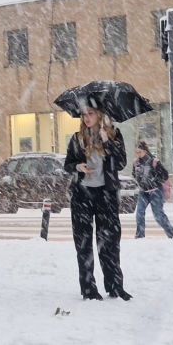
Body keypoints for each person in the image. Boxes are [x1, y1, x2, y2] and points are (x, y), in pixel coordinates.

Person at [63, 106, 132, 301]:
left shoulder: (114, 135)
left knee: (109, 243)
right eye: (83, 115)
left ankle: (115, 287)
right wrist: (78, 166)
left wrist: (107, 141)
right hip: (82, 195)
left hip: (106, 195)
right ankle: (89, 290)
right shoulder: (77, 138)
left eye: (90, 114)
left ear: (100, 115)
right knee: (83, 244)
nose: (86, 118)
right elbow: (68, 163)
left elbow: (120, 163)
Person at [132, 141, 173, 239]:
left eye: (140, 152)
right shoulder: (135, 163)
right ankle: (139, 236)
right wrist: (139, 182)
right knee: (139, 214)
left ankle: (172, 234)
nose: (138, 154)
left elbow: (164, 175)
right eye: (136, 152)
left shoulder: (154, 161)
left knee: (158, 215)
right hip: (143, 191)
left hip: (155, 191)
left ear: (145, 150)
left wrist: (154, 180)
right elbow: (134, 174)